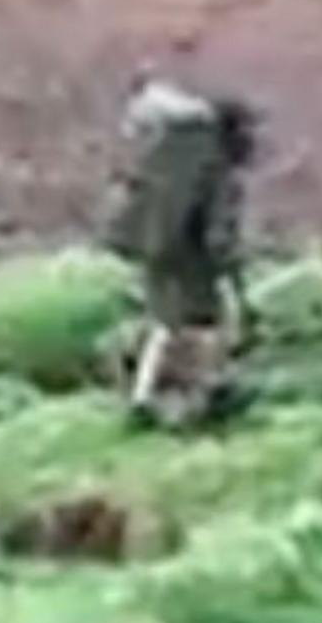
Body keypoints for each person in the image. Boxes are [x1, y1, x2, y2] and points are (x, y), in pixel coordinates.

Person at [104, 77, 259, 428]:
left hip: (155, 243)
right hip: (188, 254)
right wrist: (230, 267)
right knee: (202, 323)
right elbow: (220, 229)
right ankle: (205, 392)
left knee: (166, 321)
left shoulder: (175, 153)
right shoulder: (216, 168)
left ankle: (145, 394)